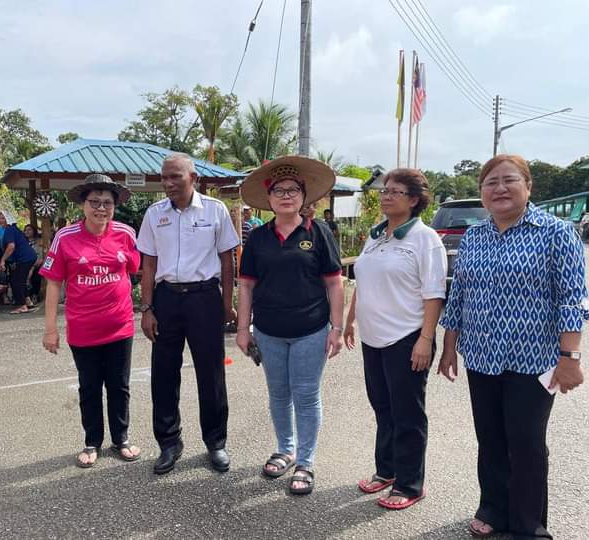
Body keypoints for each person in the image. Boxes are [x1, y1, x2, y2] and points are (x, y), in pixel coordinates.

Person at [438, 155, 587, 539]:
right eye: (490, 182)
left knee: (526, 443)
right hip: (482, 356)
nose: (499, 189)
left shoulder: (556, 233)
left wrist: (571, 357)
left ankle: (528, 524)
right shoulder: (474, 236)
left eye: (509, 180)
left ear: (528, 186)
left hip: (534, 360)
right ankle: (494, 508)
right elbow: (460, 295)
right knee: (490, 439)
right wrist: (449, 346)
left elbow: (572, 298)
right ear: (482, 192)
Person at [236, 156, 344, 495]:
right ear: (268, 198)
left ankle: (305, 461)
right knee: (279, 394)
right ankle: (285, 448)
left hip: (311, 329)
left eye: (293, 190)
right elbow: (247, 286)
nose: (286, 196)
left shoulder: (319, 232)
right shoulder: (258, 238)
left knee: (306, 394)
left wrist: (337, 328)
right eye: (279, 190)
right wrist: (243, 329)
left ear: (303, 195)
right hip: (268, 330)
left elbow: (335, 284)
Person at [343, 168, 447, 510]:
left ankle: (410, 484)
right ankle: (386, 470)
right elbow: (363, 282)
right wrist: (350, 320)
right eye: (385, 190)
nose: (386, 196)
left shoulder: (424, 238)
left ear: (414, 200)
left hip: (406, 337)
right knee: (383, 407)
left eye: (396, 191)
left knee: (407, 414)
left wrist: (426, 339)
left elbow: (434, 294)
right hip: (373, 339)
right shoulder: (376, 236)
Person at [137, 153, 239, 475]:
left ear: (192, 177)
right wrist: (147, 308)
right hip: (167, 300)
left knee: (211, 374)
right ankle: (169, 443)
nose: (168, 183)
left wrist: (227, 303)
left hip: (204, 299)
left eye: (175, 177)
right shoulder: (154, 214)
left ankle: (216, 442)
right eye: (164, 177)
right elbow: (149, 264)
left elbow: (227, 260)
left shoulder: (215, 210)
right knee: (164, 374)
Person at [42, 174, 142, 467]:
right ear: (83, 205)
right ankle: (92, 442)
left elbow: (137, 268)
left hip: (120, 325)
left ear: (115, 206)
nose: (101, 208)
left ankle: (121, 438)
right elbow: (53, 284)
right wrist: (50, 330)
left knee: (119, 385)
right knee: (89, 387)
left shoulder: (125, 232)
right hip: (83, 329)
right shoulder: (66, 237)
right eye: (95, 202)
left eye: (108, 203)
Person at [0, 211, 37, 314]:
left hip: (25, 258)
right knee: (20, 279)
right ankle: (28, 301)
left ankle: (22, 305)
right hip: (28, 257)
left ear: (9, 219)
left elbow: (11, 246)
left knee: (15, 281)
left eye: (4, 218)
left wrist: (2, 260)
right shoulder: (14, 229)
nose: (1, 220)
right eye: (0, 218)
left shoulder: (9, 230)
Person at [24, 223, 45, 304]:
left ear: (34, 231)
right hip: (25, 264)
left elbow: (42, 254)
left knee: (36, 274)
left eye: (29, 230)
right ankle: (25, 297)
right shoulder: (23, 243)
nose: (27, 231)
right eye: (25, 230)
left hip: (37, 263)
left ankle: (34, 295)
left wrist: (34, 266)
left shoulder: (40, 241)